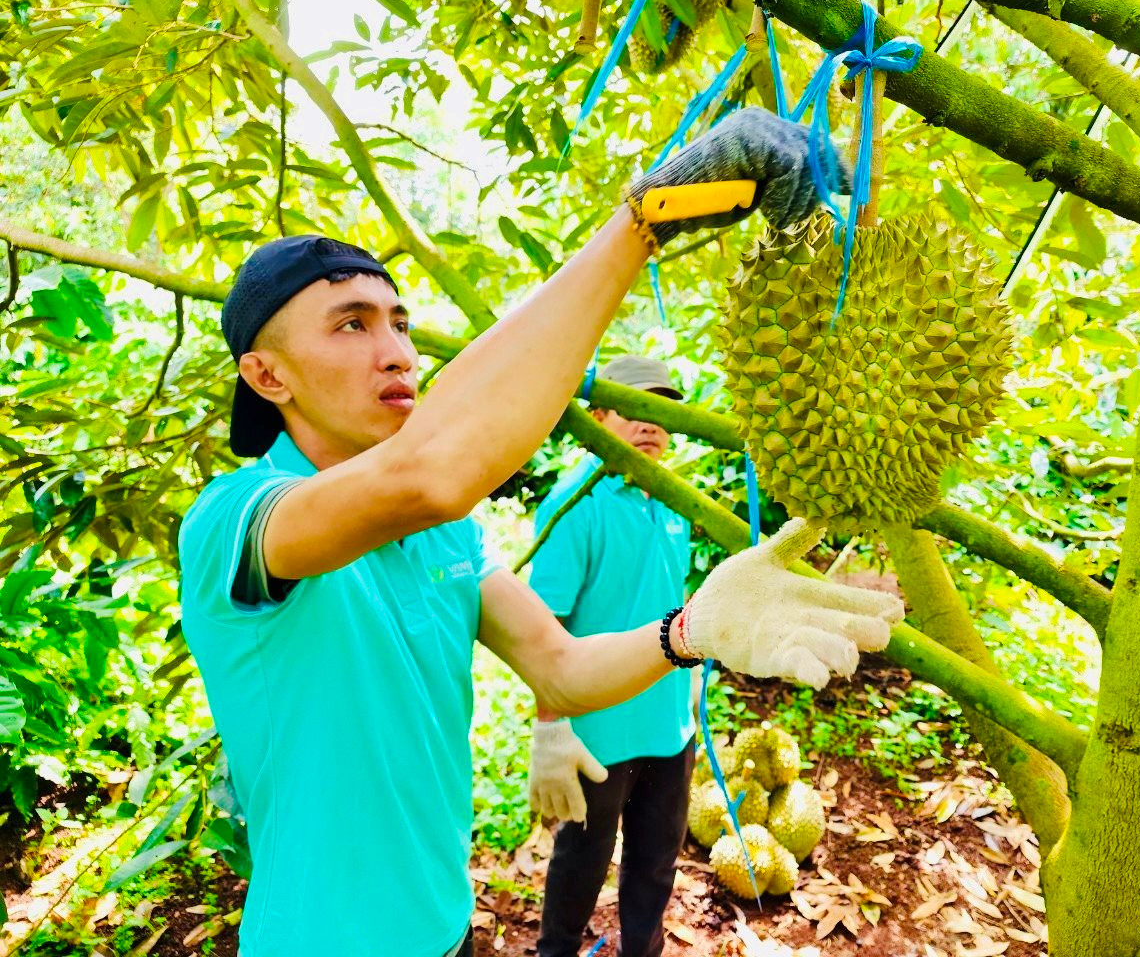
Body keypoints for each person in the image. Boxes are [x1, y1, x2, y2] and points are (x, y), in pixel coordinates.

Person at [177, 108, 904, 957]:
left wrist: (693, 630)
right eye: (352, 325)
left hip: (445, 928)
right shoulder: (238, 520)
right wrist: (639, 226)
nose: (398, 353)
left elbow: (560, 664)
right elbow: (431, 472)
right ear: (266, 375)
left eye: (400, 323)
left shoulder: (440, 536)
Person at [527, 355, 696, 957]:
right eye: (635, 409)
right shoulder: (577, 505)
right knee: (581, 863)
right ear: (598, 416)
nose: (650, 426)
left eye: (661, 414)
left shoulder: (674, 501)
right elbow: (543, 627)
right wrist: (550, 725)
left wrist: (692, 693)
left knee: (655, 864)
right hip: (598, 729)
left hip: (669, 724)